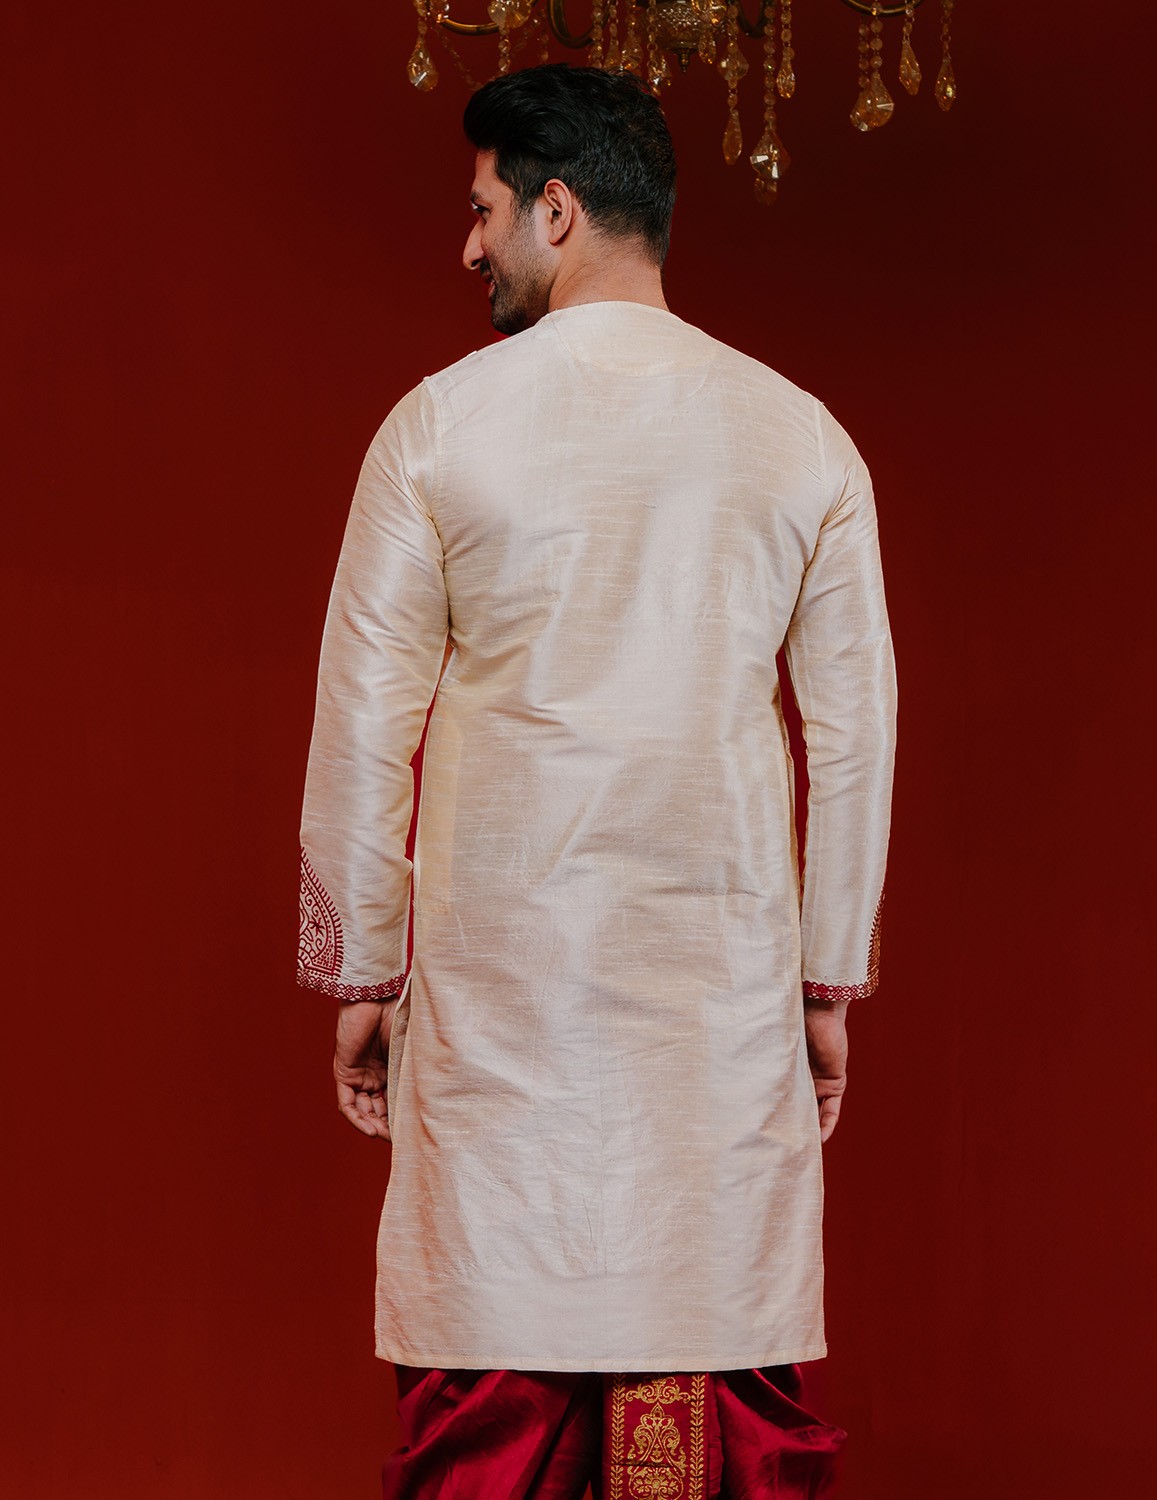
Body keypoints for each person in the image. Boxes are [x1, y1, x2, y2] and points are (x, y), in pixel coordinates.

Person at [297, 63, 897, 1500]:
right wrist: (823, 990)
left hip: (504, 1016)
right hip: (717, 1016)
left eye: (483, 209)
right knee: (706, 1355)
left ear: (555, 209)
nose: (470, 243)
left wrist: (363, 978)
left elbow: (365, 723)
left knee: (493, 1385)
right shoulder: (800, 435)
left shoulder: (439, 425)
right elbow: (855, 735)